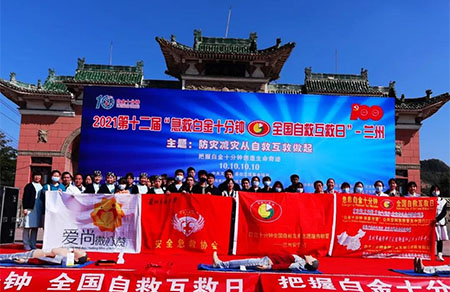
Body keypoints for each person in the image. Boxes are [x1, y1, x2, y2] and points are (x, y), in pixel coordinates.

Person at [212, 251, 319, 271]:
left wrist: (269, 267)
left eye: (312, 258)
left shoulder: (300, 264)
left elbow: (286, 266)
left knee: (243, 262)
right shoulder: (301, 260)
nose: (311, 255)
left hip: (267, 263)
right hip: (268, 260)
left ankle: (220, 264)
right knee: (244, 261)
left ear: (309, 263)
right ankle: (221, 264)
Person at [22, 172, 43, 250]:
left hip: (38, 208)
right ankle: (26, 244)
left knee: (35, 227)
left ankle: (33, 243)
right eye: (36, 176)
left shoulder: (41, 186)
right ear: (33, 177)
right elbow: (25, 197)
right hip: (30, 208)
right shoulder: (29, 186)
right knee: (27, 226)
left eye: (39, 176)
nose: (37, 177)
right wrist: (25, 208)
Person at [0, 247, 88, 265]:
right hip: (35, 253)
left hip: (31, 256)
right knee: (7, 256)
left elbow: (48, 261)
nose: (80, 249)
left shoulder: (67, 259)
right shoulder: (69, 252)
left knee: (7, 257)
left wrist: (26, 261)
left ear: (76, 258)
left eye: (81, 251)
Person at [431, 185, 448, 261]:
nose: (436, 191)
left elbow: (444, 212)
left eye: (437, 189)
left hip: (440, 222)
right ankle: (430, 254)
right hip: (431, 223)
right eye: (434, 190)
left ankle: (439, 254)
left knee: (439, 239)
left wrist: (437, 219)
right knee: (431, 239)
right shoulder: (429, 200)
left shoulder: (443, 201)